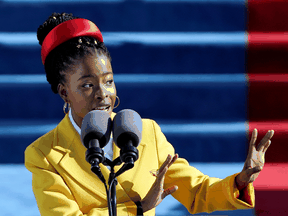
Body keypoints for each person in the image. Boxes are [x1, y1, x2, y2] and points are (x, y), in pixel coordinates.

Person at [25, 12, 274, 216]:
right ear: (63, 92)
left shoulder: (146, 133)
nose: (103, 94)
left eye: (108, 81)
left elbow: (197, 192)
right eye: (88, 85)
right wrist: (140, 209)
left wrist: (241, 181)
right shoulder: (44, 155)